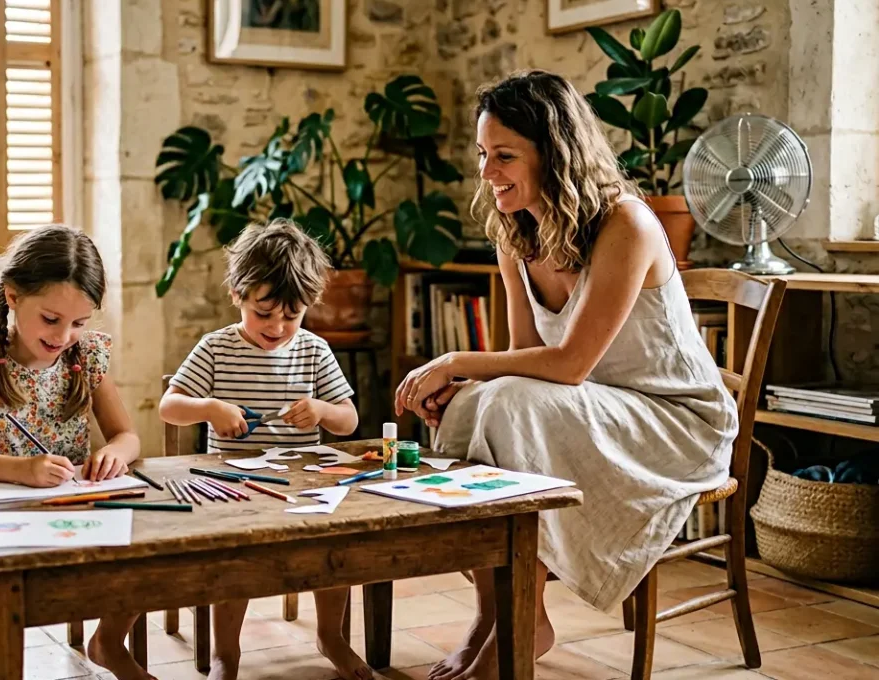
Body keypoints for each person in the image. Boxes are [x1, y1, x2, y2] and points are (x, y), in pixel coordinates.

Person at [393, 70, 737, 680]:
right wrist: (464, 390)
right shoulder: (514, 234)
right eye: (482, 154)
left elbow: (570, 364)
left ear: (554, 153)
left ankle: (522, 616)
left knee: (501, 402)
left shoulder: (626, 223)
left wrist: (456, 362)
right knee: (471, 408)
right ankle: (499, 614)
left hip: (676, 422)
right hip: (591, 405)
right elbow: (526, 357)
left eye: (504, 156)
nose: (487, 172)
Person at [0, 224, 150, 680]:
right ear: (12, 296)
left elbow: (127, 435)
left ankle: (109, 642)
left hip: (75, 510)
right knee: (12, 583)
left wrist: (116, 452)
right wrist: (22, 470)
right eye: (51, 319)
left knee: (146, 551)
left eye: (79, 323)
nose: (64, 335)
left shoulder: (86, 357)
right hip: (0, 518)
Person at [159, 219, 368, 680]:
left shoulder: (313, 351)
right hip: (234, 487)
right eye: (264, 313)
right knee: (235, 556)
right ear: (237, 295)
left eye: (291, 316)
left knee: (335, 544)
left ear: (309, 305)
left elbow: (348, 419)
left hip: (302, 487)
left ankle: (331, 636)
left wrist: (321, 410)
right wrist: (210, 408)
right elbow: (169, 407)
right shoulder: (216, 348)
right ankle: (226, 654)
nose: (277, 327)